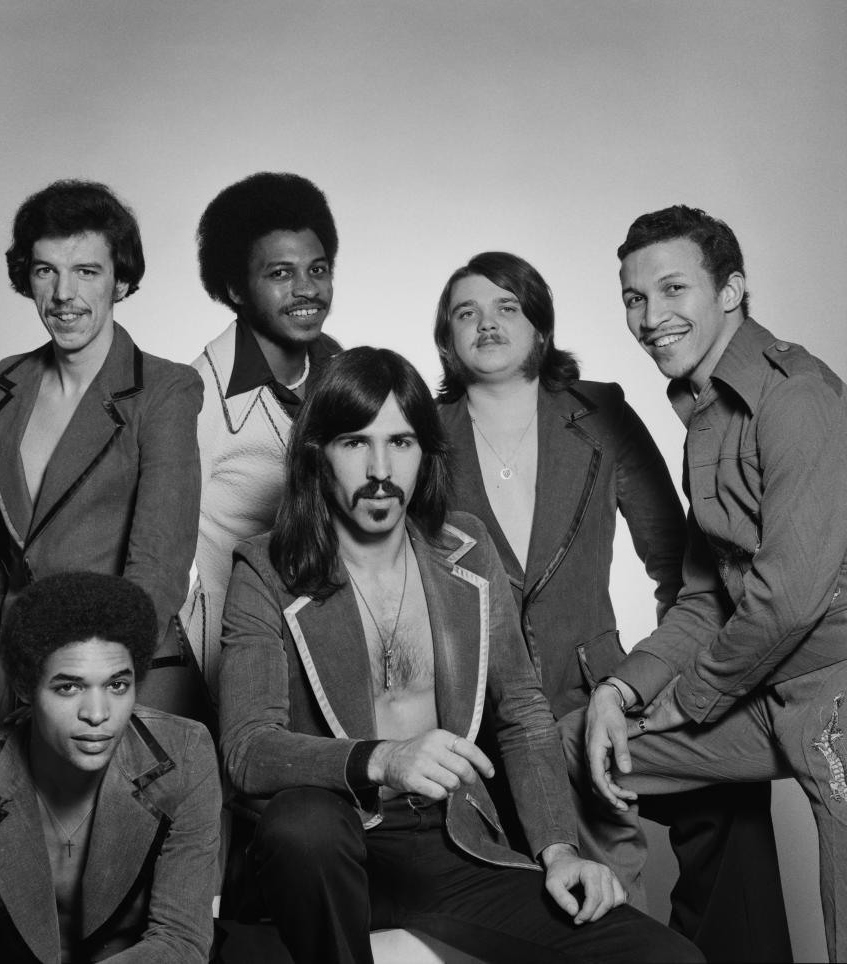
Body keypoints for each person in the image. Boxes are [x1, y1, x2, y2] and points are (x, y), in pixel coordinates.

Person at [218, 347, 702, 964]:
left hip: (448, 842)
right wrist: (384, 759)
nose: (379, 469)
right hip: (326, 853)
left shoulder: (467, 553)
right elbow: (248, 749)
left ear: (425, 452)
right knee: (304, 823)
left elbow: (521, 715)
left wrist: (558, 849)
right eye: (353, 443)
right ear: (317, 453)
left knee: (668, 959)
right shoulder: (266, 569)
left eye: (400, 442)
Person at [434, 251, 790, 960]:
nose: (487, 324)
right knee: (580, 884)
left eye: (507, 307)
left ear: (541, 326)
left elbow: (681, 567)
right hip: (483, 714)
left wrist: (654, 685)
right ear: (446, 338)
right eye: (466, 313)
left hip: (600, 687)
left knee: (729, 801)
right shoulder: (419, 431)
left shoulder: (600, 411)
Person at [574, 204, 847, 962]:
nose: (650, 317)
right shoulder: (704, 413)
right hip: (762, 695)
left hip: (838, 690)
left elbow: (789, 600)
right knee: (579, 746)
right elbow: (705, 596)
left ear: (731, 291)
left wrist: (688, 700)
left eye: (672, 290)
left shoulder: (797, 398)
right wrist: (620, 693)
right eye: (634, 297)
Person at [0, 180, 204, 727]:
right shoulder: (2, 387)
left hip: (126, 683)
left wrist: (90, 694)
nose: (64, 293)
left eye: (86, 272)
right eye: (47, 270)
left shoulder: (166, 391)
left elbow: (157, 572)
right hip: (15, 681)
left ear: (120, 280)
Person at [0, 572, 220, 962]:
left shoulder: (185, 755)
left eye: (117, 685)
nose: (98, 715)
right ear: (27, 688)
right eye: (69, 687)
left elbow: (180, 941)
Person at [182, 171, 340, 715]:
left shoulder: (352, 381)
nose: (306, 289)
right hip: (240, 670)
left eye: (317, 269)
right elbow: (154, 557)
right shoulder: (190, 399)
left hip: (345, 657)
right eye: (280, 273)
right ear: (233, 289)